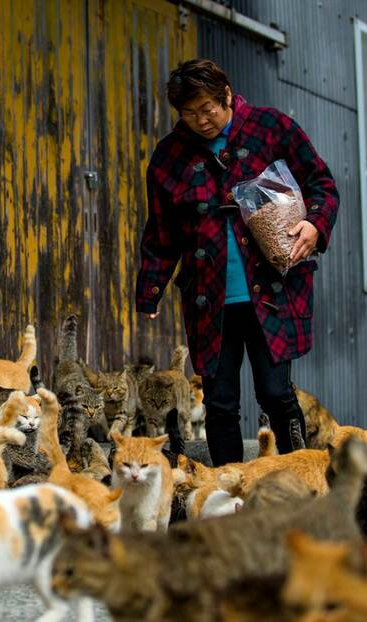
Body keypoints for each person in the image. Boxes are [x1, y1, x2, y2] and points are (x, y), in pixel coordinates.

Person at [135, 59, 339, 466]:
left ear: (226, 95)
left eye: (207, 108)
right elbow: (161, 232)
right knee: (221, 401)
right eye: (190, 113)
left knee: (276, 393)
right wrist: (151, 289)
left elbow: (322, 183)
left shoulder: (271, 127)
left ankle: (298, 476)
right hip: (209, 299)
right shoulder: (169, 157)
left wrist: (315, 224)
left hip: (273, 290)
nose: (201, 120)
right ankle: (228, 490)